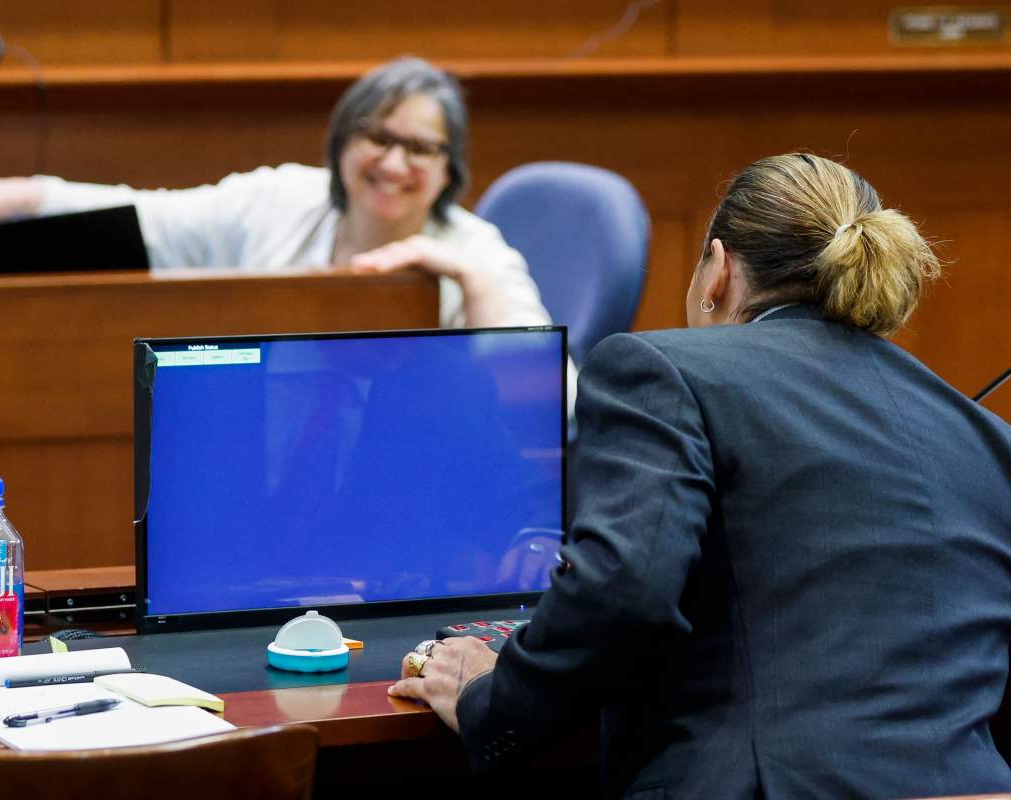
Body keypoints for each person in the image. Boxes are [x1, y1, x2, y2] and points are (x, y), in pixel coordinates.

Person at [390, 153, 1011, 797]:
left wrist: (493, 698)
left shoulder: (664, 369)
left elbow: (623, 592)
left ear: (718, 268)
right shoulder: (984, 433)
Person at [0, 57, 551, 333]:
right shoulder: (279, 200)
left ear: (448, 169)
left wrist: (474, 287)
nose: (392, 162)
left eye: (420, 148)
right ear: (341, 142)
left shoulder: (475, 250)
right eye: (375, 136)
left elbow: (563, 406)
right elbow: (149, 214)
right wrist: (12, 196)